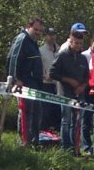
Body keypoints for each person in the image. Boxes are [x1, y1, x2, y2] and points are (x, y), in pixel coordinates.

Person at [48, 28, 89, 152]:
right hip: (65, 93)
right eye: (75, 42)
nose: (77, 45)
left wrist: (82, 86)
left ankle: (75, 147)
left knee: (77, 122)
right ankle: (65, 147)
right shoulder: (62, 55)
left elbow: (87, 76)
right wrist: (68, 80)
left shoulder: (83, 58)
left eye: (80, 43)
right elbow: (52, 73)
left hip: (79, 94)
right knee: (66, 120)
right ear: (70, 41)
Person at [7, 17, 45, 147]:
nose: (38, 32)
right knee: (25, 112)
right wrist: (15, 79)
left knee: (37, 112)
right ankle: (23, 142)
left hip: (35, 83)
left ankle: (34, 141)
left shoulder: (33, 42)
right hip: (23, 83)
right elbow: (14, 59)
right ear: (28, 26)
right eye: (36, 29)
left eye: (40, 30)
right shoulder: (22, 39)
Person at [39, 27, 60, 130]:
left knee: (57, 111)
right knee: (45, 111)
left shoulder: (60, 50)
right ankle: (44, 133)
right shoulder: (41, 51)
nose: (52, 37)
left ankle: (56, 135)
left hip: (58, 85)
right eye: (49, 34)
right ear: (45, 36)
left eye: (53, 34)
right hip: (45, 84)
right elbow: (38, 68)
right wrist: (44, 75)